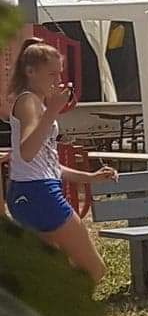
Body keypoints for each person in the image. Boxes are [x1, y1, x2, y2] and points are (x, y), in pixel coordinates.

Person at [6, 41, 116, 285]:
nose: (57, 80)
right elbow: (27, 151)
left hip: (28, 192)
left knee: (52, 273)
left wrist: (90, 177)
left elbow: (47, 164)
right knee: (93, 270)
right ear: (30, 71)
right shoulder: (29, 102)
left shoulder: (37, 104)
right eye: (51, 74)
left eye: (59, 73)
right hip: (39, 194)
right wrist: (52, 112)